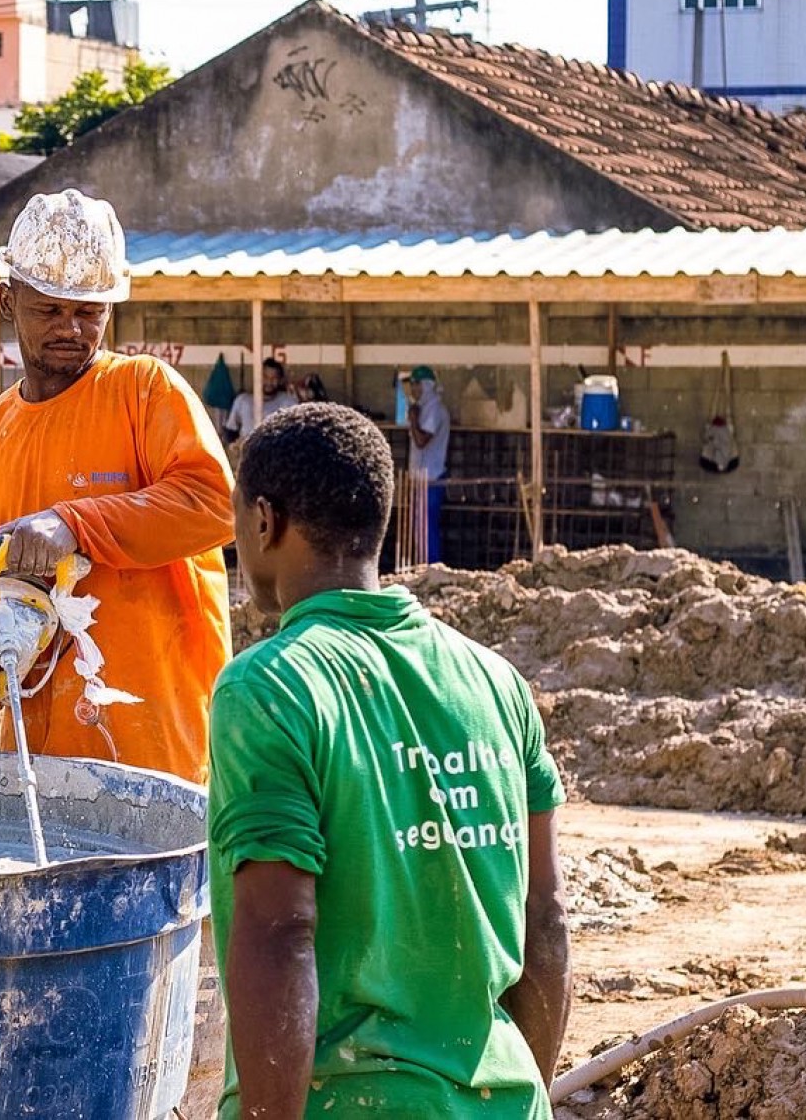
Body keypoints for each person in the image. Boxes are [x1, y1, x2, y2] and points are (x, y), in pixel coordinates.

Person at [210, 402, 570, 1118]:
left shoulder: (269, 687)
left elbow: (279, 933)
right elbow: (546, 923)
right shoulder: (494, 681)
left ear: (263, 522)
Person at [0, 188, 234, 784]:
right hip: (40, 756)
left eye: (89, 311)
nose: (71, 329)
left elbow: (214, 504)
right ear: (7, 301)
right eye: (49, 310)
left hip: (157, 741)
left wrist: (75, 525)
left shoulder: (145, 390)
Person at [407, 363, 452, 564]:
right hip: (422, 478)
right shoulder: (425, 408)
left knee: (426, 526)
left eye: (416, 385)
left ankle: (431, 565)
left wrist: (413, 420)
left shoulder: (433, 409)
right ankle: (423, 564)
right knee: (420, 526)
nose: (413, 389)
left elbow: (422, 441)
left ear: (426, 385)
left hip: (431, 478)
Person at [223, 357, 299, 444]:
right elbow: (231, 431)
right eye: (265, 377)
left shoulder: (288, 403)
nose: (269, 382)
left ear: (280, 380)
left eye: (274, 378)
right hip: (248, 454)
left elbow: (296, 434)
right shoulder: (243, 401)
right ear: (258, 377)